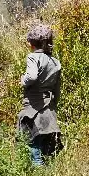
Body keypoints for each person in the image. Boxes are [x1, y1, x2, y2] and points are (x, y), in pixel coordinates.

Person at [19, 23, 62, 166]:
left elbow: (31, 77)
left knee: (34, 148)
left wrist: (23, 80)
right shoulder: (56, 62)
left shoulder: (33, 58)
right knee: (46, 151)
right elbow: (57, 90)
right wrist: (53, 107)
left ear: (32, 44)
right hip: (49, 110)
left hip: (34, 110)